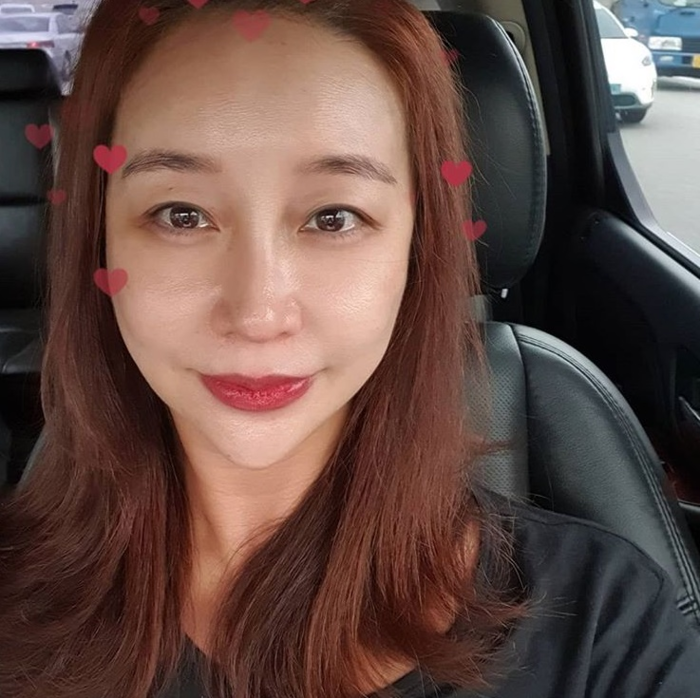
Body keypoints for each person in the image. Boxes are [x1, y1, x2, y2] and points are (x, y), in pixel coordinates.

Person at [0, 0, 700, 697]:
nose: (258, 313)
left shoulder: (605, 630)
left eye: (333, 217)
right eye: (180, 214)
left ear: (416, 250)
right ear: (100, 239)